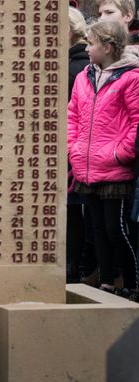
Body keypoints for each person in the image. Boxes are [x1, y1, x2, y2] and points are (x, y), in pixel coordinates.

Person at [67, 20, 139, 301]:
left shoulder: (131, 78)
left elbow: (136, 122)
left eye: (91, 43)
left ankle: (132, 281)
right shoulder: (85, 75)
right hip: (87, 164)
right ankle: (107, 280)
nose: (87, 48)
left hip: (114, 168)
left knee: (115, 228)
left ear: (107, 47)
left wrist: (121, 154)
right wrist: (73, 149)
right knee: (96, 229)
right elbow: (72, 115)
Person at [66, 6, 94, 283]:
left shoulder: (74, 69)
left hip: (73, 152)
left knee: (73, 209)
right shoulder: (80, 66)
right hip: (76, 149)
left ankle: (73, 270)